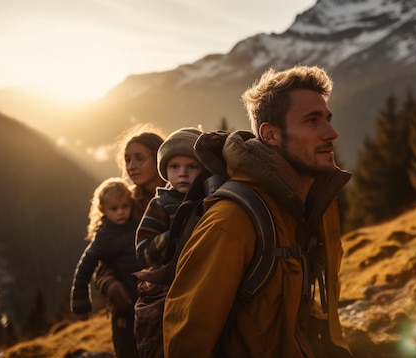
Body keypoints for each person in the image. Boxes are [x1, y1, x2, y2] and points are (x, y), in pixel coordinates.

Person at [162, 65, 353, 357]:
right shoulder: (233, 220)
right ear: (271, 135)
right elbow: (186, 342)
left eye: (328, 119)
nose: (332, 133)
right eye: (312, 121)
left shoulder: (315, 206)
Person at [94, 125, 167, 358]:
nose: (131, 166)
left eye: (139, 158)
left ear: (159, 157)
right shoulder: (126, 205)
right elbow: (103, 254)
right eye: (127, 159)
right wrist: (109, 284)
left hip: (169, 308)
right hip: (127, 314)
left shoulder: (177, 201)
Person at [132, 127, 204, 357]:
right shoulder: (160, 204)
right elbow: (143, 252)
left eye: (191, 166)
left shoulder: (210, 200)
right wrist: (175, 233)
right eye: (174, 167)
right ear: (165, 170)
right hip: (165, 290)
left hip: (200, 286)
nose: (182, 173)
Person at [70, 177, 142, 357]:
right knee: (128, 347)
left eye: (125, 206)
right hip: (124, 305)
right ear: (103, 209)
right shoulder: (105, 236)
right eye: (114, 208)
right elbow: (86, 265)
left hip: (146, 295)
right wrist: (81, 303)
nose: (121, 212)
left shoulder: (137, 223)